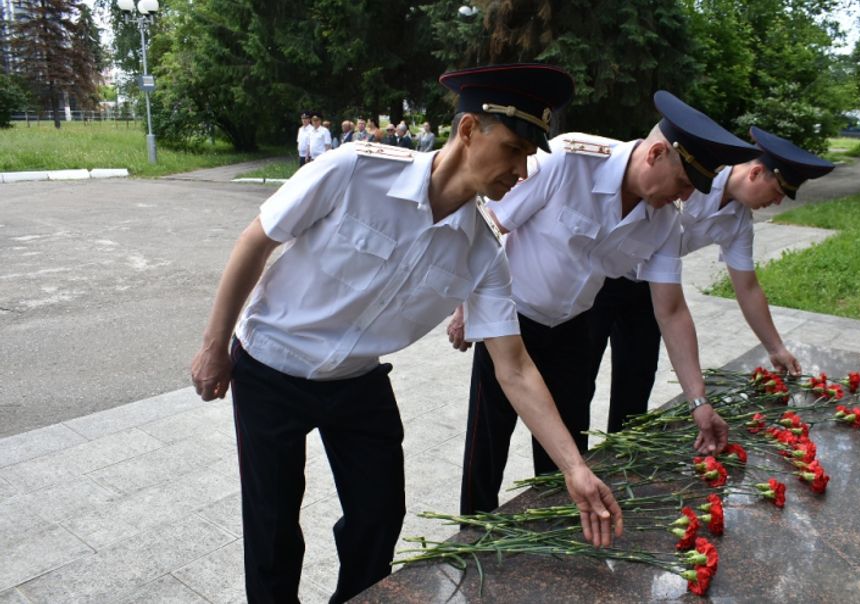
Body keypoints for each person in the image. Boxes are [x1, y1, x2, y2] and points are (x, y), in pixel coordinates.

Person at [190, 63, 622, 604]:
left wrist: (575, 469)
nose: (522, 169)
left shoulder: (483, 251)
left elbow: (513, 367)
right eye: (513, 148)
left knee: (379, 515)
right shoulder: (354, 170)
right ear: (468, 131)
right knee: (273, 521)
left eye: (529, 156)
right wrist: (214, 346)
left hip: (356, 380)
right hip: (272, 364)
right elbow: (255, 241)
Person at [450, 91, 761, 516]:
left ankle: (552, 527)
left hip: (575, 328)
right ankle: (471, 534)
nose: (684, 198)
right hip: (511, 322)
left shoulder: (664, 222)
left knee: (567, 448)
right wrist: (466, 304)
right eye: (684, 183)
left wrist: (698, 400)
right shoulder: (568, 160)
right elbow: (493, 225)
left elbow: (670, 310)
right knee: (487, 444)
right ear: (655, 153)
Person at [588, 126, 835, 433]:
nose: (777, 203)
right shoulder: (694, 175)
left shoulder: (738, 222)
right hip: (601, 281)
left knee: (636, 381)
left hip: (653, 289)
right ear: (756, 173)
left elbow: (747, 287)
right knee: (580, 380)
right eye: (777, 192)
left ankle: (616, 459)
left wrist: (775, 347)